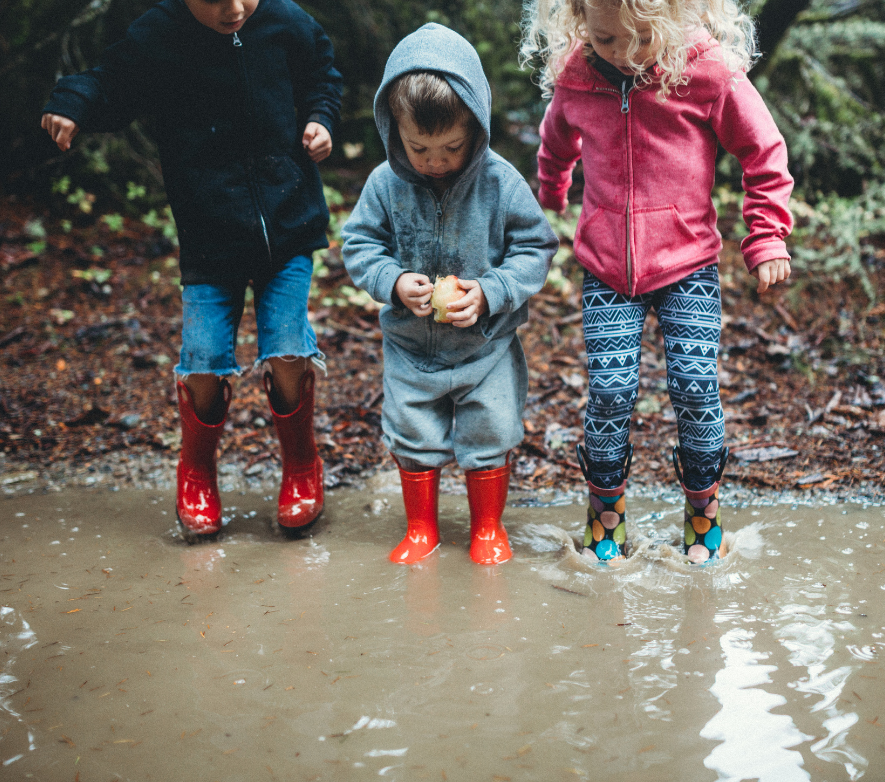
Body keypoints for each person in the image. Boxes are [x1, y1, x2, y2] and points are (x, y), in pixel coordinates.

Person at [41, 0, 342, 538]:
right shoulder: (159, 36)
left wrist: (321, 118)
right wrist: (74, 102)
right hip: (210, 234)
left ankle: (300, 463)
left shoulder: (285, 21)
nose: (233, 9)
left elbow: (322, 72)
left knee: (289, 348)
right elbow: (113, 84)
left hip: (288, 221)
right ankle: (197, 471)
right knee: (203, 360)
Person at [520, 0, 794, 563]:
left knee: (695, 387)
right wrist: (548, 198)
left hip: (688, 262)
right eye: (604, 39)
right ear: (578, 21)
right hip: (604, 267)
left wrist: (766, 236)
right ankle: (606, 516)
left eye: (639, 40)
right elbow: (556, 144)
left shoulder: (707, 72)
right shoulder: (577, 74)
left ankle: (703, 515)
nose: (621, 55)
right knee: (610, 393)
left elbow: (762, 152)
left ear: (671, 19)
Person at [342, 23, 558, 565]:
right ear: (394, 131)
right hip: (411, 347)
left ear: (477, 127)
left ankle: (487, 527)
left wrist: (490, 292)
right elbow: (360, 244)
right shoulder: (383, 185)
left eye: (452, 148)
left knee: (490, 430)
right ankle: (421, 529)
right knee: (412, 433)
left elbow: (536, 248)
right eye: (419, 148)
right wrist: (391, 281)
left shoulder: (500, 183)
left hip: (485, 348)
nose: (436, 161)